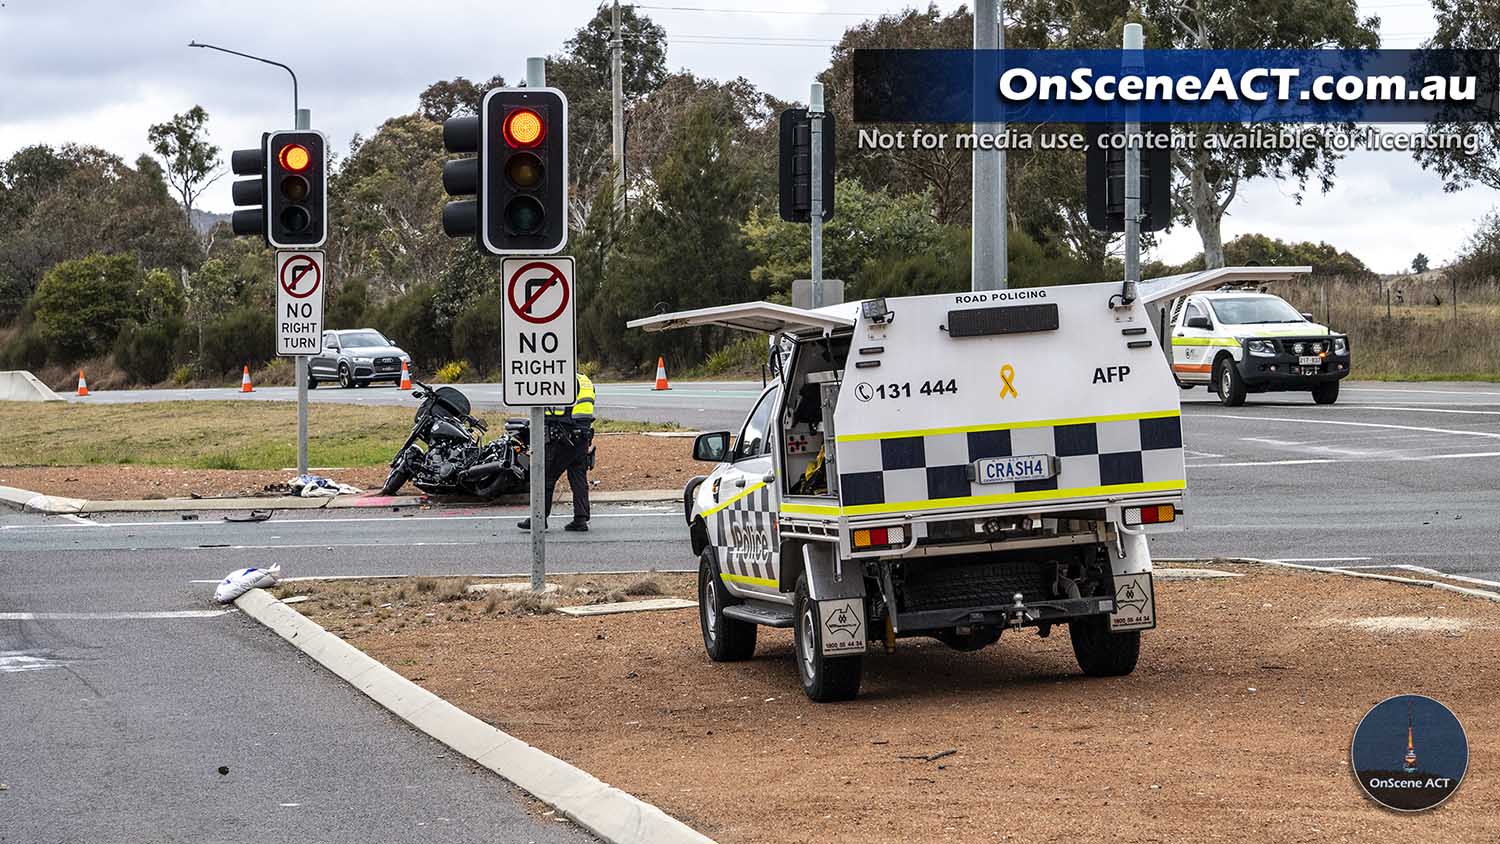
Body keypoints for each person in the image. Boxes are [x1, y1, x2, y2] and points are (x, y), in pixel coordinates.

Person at [518, 372, 595, 532]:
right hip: (583, 436)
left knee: (545, 477)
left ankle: (539, 518)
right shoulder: (585, 380)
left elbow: (556, 412)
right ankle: (580, 519)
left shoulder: (563, 381)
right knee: (578, 477)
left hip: (563, 436)